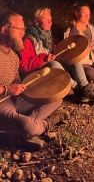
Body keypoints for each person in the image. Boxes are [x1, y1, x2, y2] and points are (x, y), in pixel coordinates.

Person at [0, 12, 70, 151]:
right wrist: (7, 89)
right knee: (28, 126)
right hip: (2, 103)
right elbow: (9, 88)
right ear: (4, 29)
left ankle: (19, 132)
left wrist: (33, 88)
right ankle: (42, 125)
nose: (23, 33)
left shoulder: (13, 56)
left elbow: (17, 82)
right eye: (19, 29)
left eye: (23, 29)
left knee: (55, 98)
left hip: (15, 99)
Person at [18, 8, 94, 103]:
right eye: (46, 19)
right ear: (36, 21)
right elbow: (23, 66)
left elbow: (54, 50)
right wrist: (43, 58)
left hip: (50, 68)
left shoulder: (46, 35)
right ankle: (77, 89)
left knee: (74, 58)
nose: (50, 22)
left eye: (50, 19)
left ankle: (85, 87)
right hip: (37, 74)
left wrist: (64, 50)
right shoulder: (27, 40)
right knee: (54, 64)